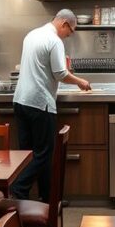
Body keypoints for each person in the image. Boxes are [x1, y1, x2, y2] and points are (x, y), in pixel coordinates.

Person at [10, 10, 91, 200]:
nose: (69, 35)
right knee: (44, 154)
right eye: (70, 31)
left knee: (28, 155)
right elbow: (60, 74)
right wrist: (80, 81)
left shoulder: (32, 35)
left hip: (20, 101)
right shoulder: (54, 41)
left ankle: (47, 199)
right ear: (64, 24)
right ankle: (18, 189)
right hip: (40, 103)